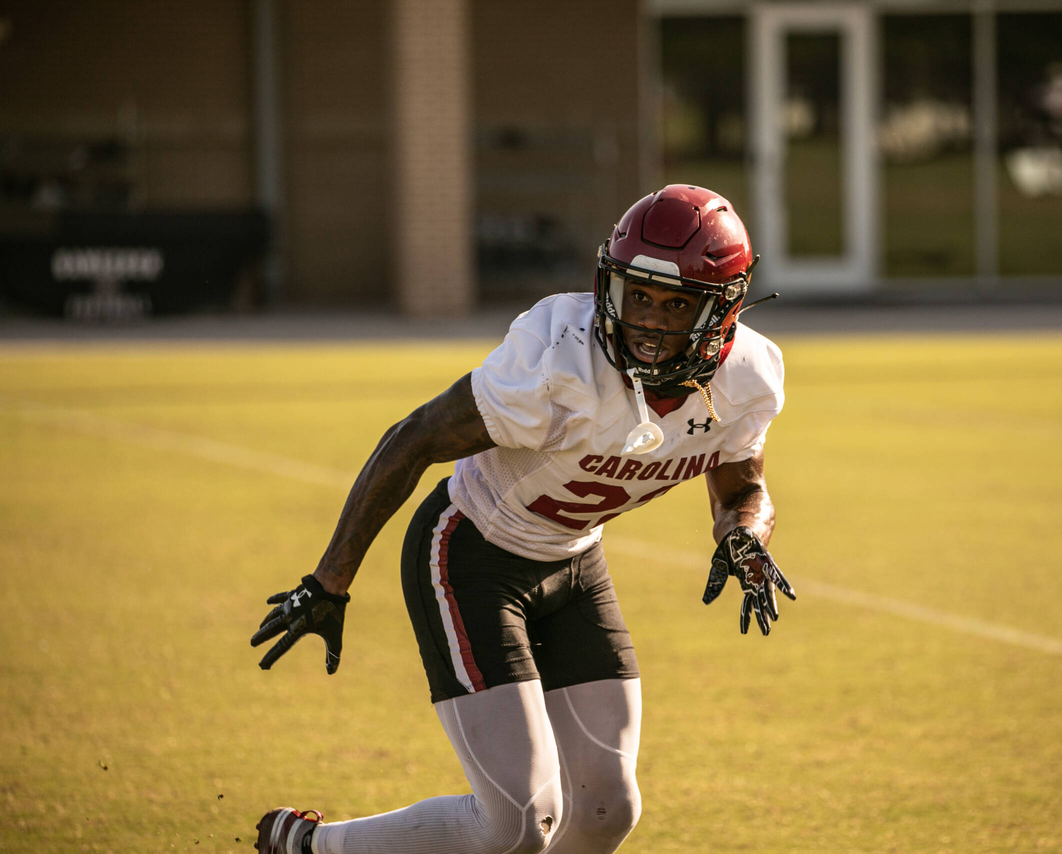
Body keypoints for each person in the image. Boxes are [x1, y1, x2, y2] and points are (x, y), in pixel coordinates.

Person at [250, 184, 795, 854]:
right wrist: (329, 581)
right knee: (518, 822)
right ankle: (308, 848)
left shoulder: (748, 378)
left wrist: (743, 534)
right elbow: (415, 437)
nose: (650, 321)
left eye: (677, 303)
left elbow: (744, 487)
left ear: (723, 310)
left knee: (605, 812)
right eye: (639, 297)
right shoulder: (557, 361)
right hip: (468, 551)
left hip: (574, 562)